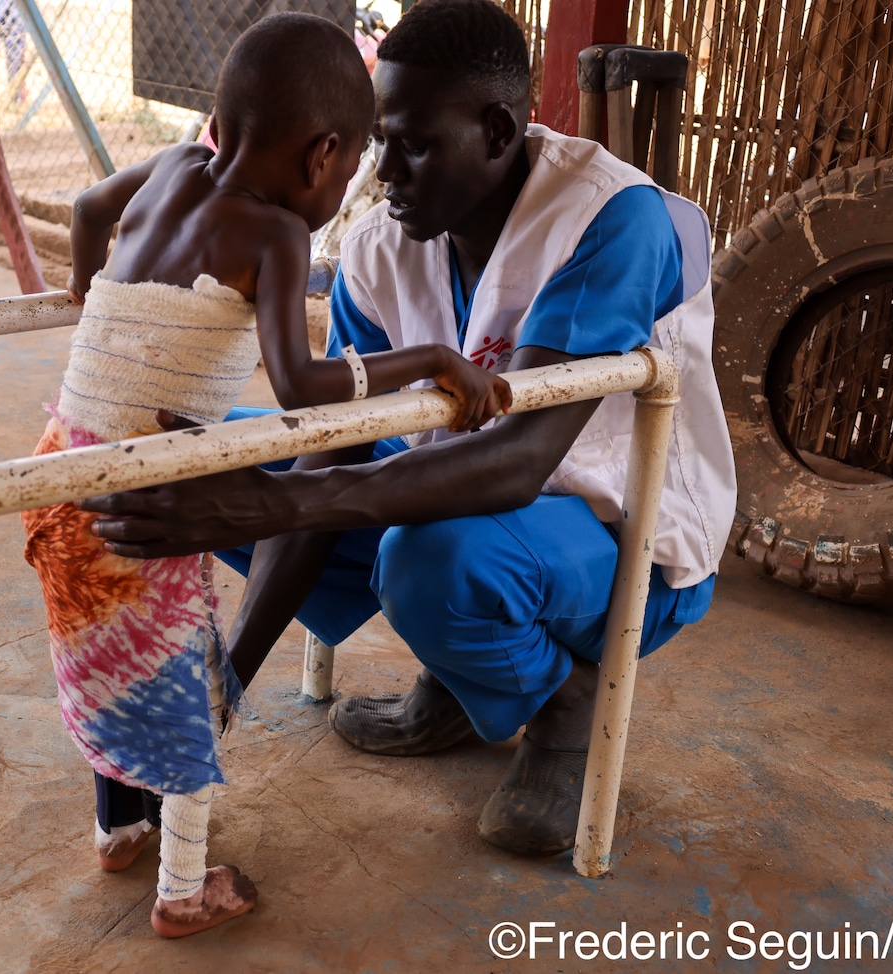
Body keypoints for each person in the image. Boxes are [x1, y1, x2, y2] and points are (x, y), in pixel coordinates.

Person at [80, 0, 737, 860]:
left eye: (413, 145)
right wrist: (223, 688)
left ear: (499, 130)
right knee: (200, 458)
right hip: (472, 500)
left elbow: (518, 459)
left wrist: (268, 507)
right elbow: (333, 434)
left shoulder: (607, 220)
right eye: (377, 139)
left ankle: (567, 704)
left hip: (620, 542)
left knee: (426, 560)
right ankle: (463, 683)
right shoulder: (385, 239)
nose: (382, 171)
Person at [19, 12, 510, 939]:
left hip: (59, 466)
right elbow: (299, 385)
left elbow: (88, 216)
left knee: (105, 661)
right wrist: (428, 359)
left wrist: (93, 301)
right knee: (183, 682)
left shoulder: (169, 169)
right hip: (145, 488)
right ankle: (184, 886)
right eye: (359, 163)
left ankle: (118, 825)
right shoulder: (278, 235)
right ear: (325, 155)